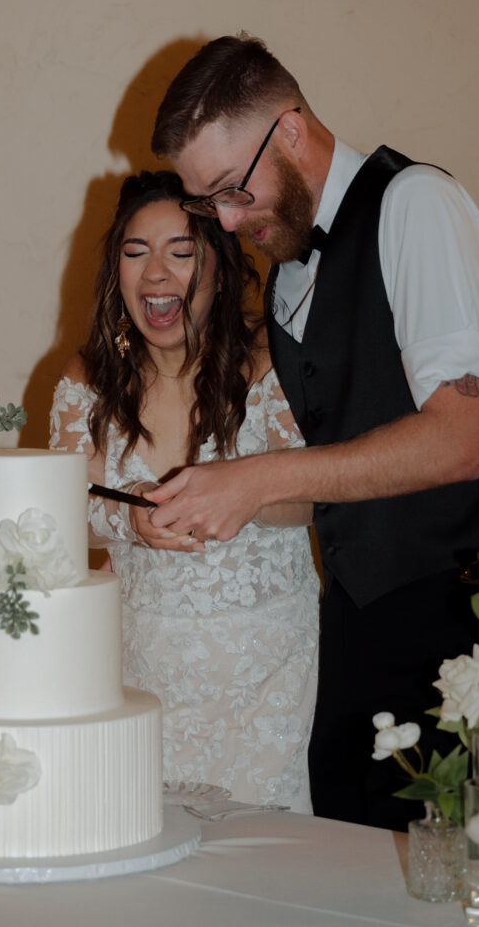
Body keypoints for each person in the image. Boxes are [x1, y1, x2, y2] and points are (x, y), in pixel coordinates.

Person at [146, 33, 479, 831]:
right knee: (346, 844)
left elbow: (463, 438)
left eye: (233, 191)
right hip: (357, 617)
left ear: (292, 131)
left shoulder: (416, 205)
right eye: (209, 203)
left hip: (453, 620)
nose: (227, 223)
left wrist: (259, 477)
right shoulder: (291, 259)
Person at [49, 170, 320, 812]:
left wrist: (241, 496)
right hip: (138, 662)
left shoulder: (269, 357)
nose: (156, 274)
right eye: (135, 252)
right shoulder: (86, 375)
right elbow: (56, 514)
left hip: (265, 664)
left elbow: (311, 497)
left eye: (182, 251)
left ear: (221, 270)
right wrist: (129, 523)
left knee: (261, 865)